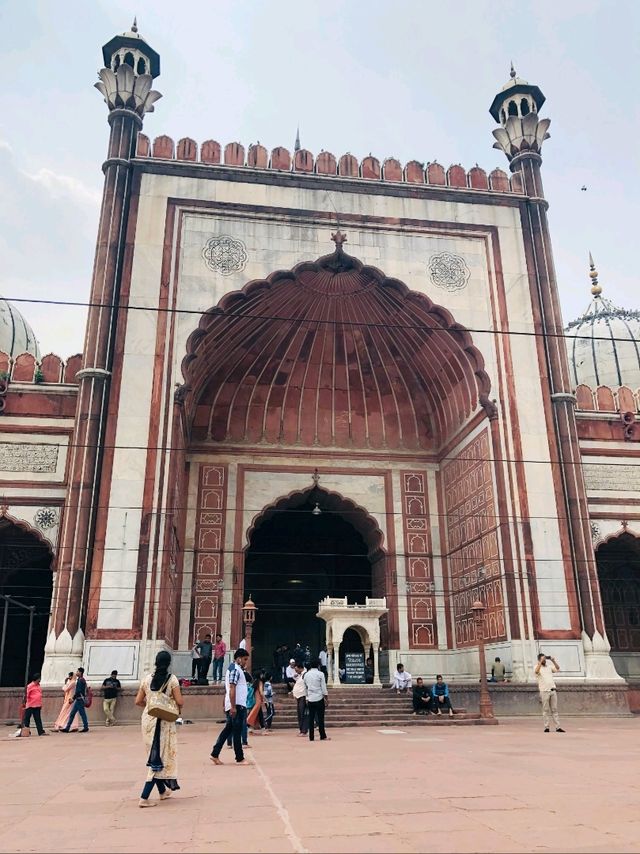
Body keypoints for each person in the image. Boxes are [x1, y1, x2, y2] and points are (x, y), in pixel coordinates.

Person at [134, 650, 183, 807]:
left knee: (154, 755)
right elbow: (180, 701)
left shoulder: (147, 679)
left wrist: (151, 706)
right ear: (169, 663)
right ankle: (144, 797)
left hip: (147, 720)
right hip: (163, 723)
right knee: (158, 758)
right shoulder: (172, 680)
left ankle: (162, 791)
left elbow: (138, 701)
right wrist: (173, 709)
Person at [210, 648, 250, 765]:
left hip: (235, 703)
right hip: (236, 704)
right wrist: (233, 707)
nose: (245, 662)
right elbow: (232, 688)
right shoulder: (235, 670)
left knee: (228, 730)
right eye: (244, 659)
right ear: (238, 658)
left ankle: (215, 753)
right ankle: (239, 758)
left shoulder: (234, 669)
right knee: (236, 731)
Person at [535, 653, 565, 733]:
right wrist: (540, 662)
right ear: (539, 660)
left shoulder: (549, 667)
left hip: (552, 690)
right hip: (544, 691)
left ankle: (558, 727)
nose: (544, 660)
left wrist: (553, 661)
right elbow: (536, 671)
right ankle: (546, 727)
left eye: (544, 659)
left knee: (555, 709)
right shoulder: (537, 667)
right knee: (545, 710)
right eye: (542, 659)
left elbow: (557, 668)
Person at [303, 658, 329, 741]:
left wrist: (306, 698)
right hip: (319, 698)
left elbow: (305, 688)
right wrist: (326, 698)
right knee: (321, 718)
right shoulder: (320, 674)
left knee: (311, 718)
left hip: (310, 698)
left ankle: (311, 737)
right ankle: (322, 735)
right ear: (318, 665)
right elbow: (323, 688)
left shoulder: (306, 675)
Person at [61, 667, 89, 733]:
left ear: (80, 672)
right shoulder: (82, 679)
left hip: (79, 699)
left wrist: (73, 698)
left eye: (77, 671)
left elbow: (78, 691)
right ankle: (67, 728)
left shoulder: (80, 680)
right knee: (73, 714)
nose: (76, 672)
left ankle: (85, 727)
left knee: (81, 714)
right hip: (79, 699)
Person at [292, 663, 308, 737]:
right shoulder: (301, 675)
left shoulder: (305, 675)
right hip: (299, 697)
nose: (296, 671)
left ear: (300, 667)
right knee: (299, 714)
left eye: (296, 669)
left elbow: (307, 686)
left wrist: (307, 697)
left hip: (303, 696)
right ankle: (301, 729)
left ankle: (304, 730)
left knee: (303, 714)